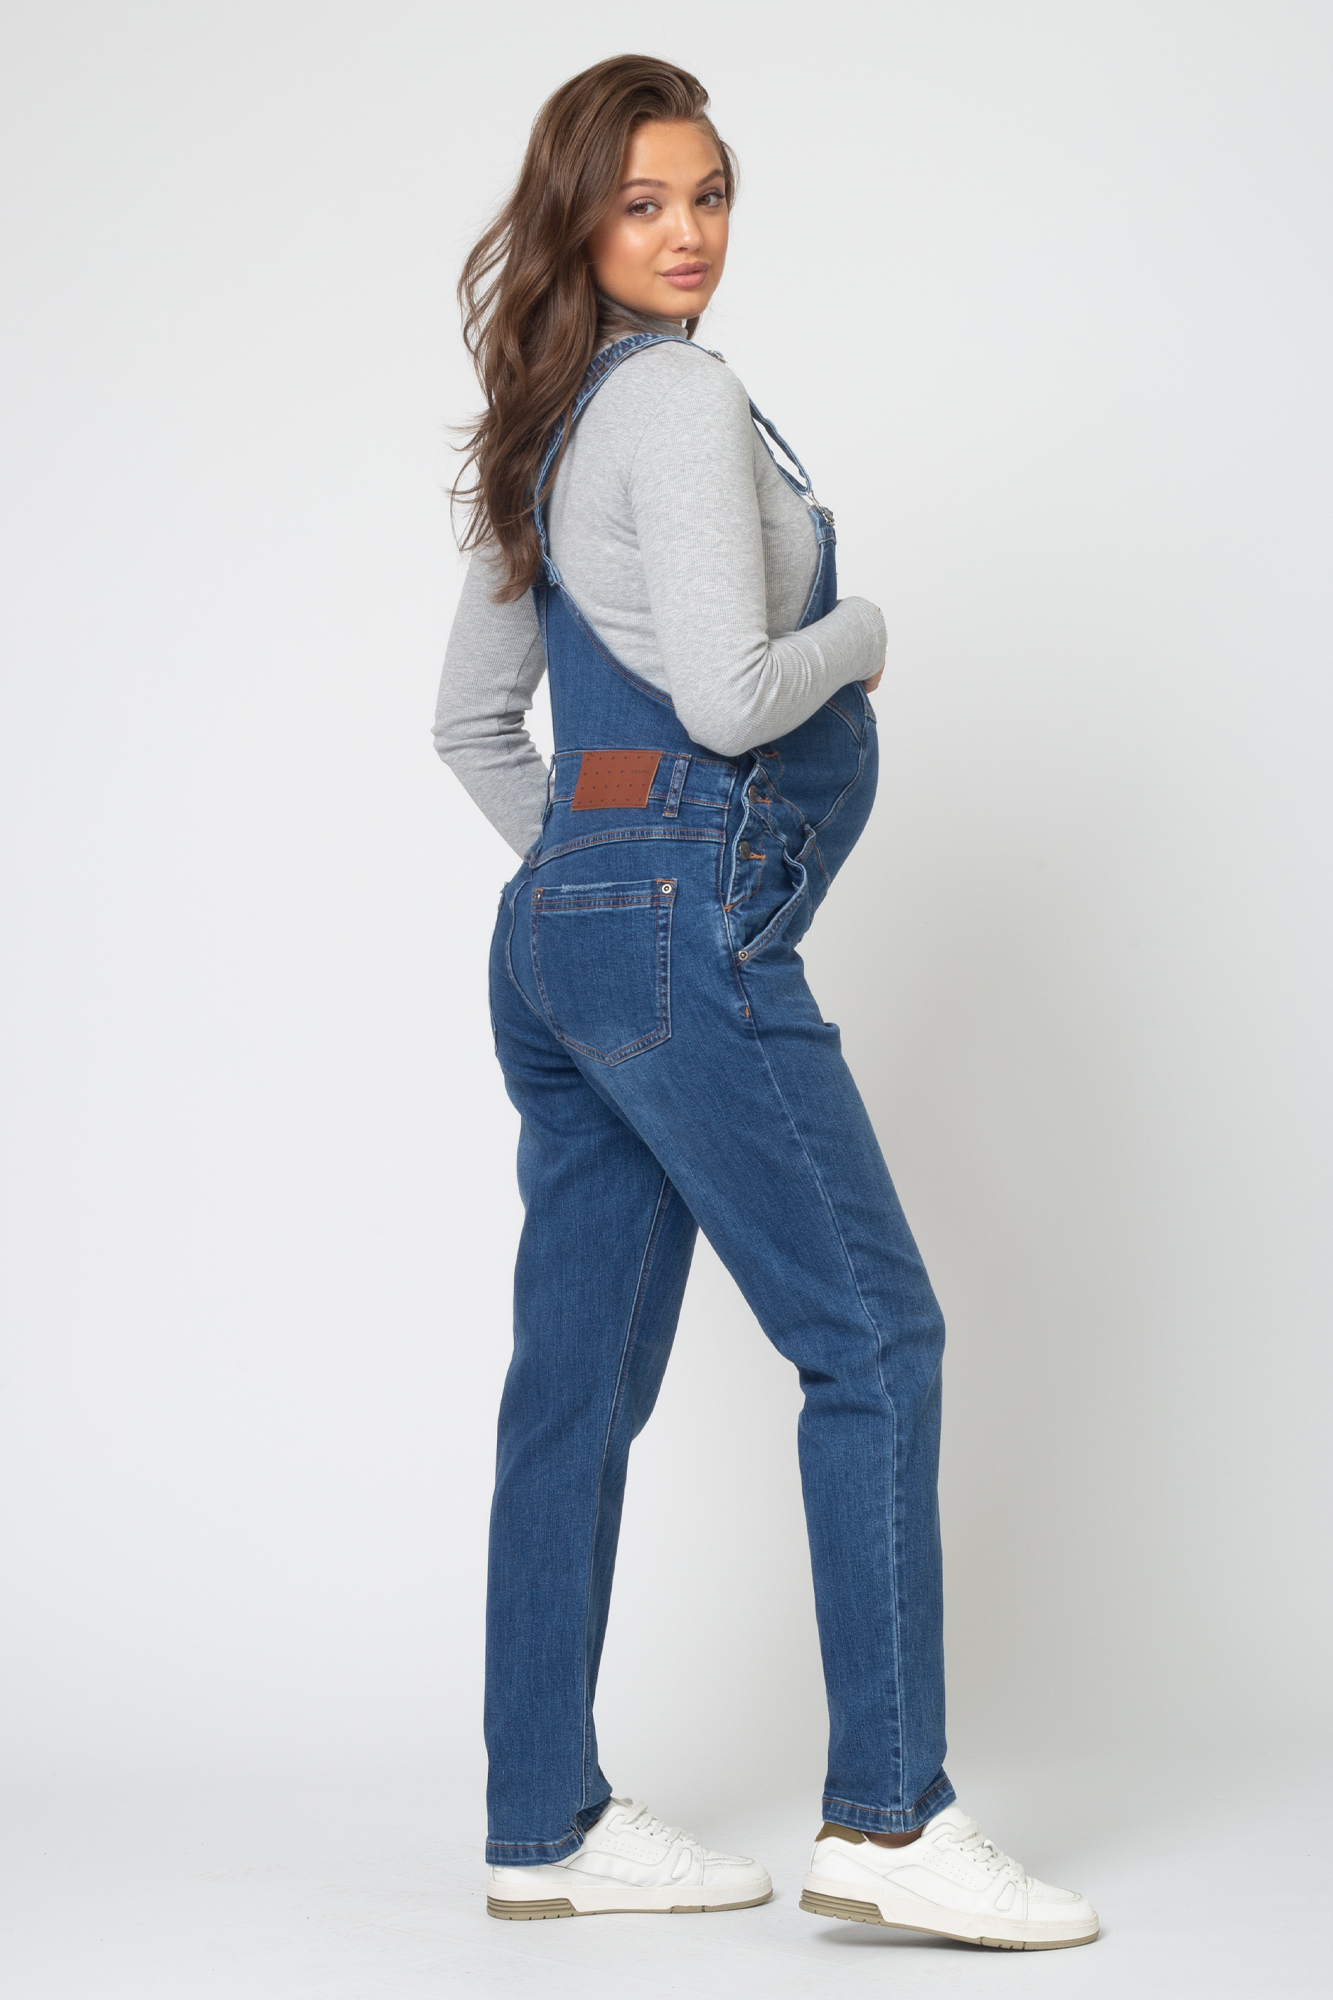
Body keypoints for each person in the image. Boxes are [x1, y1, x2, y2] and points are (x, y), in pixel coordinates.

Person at [435, 53, 1099, 1951]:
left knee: (571, 1390)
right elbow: (733, 695)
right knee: (873, 1339)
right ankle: (890, 1820)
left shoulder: (541, 422)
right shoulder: (675, 398)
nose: (688, 235)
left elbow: (472, 727)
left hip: (565, 942)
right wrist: (862, 637)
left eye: (710, 195)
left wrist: (589, 874)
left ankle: (539, 1816)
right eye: (644, 202)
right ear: (578, 217)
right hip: (662, 938)